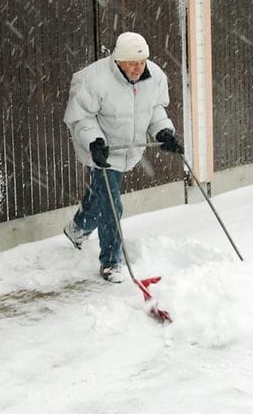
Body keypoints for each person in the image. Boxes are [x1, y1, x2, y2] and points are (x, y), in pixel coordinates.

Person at [63, 31, 184, 282]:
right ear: (118, 60)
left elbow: (155, 110)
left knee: (101, 193)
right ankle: (110, 262)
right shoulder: (96, 80)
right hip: (102, 149)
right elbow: (81, 116)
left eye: (141, 62)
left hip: (129, 148)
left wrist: (164, 131)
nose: (138, 68)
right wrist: (95, 142)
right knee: (111, 204)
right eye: (132, 63)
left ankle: (78, 228)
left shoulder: (155, 76)